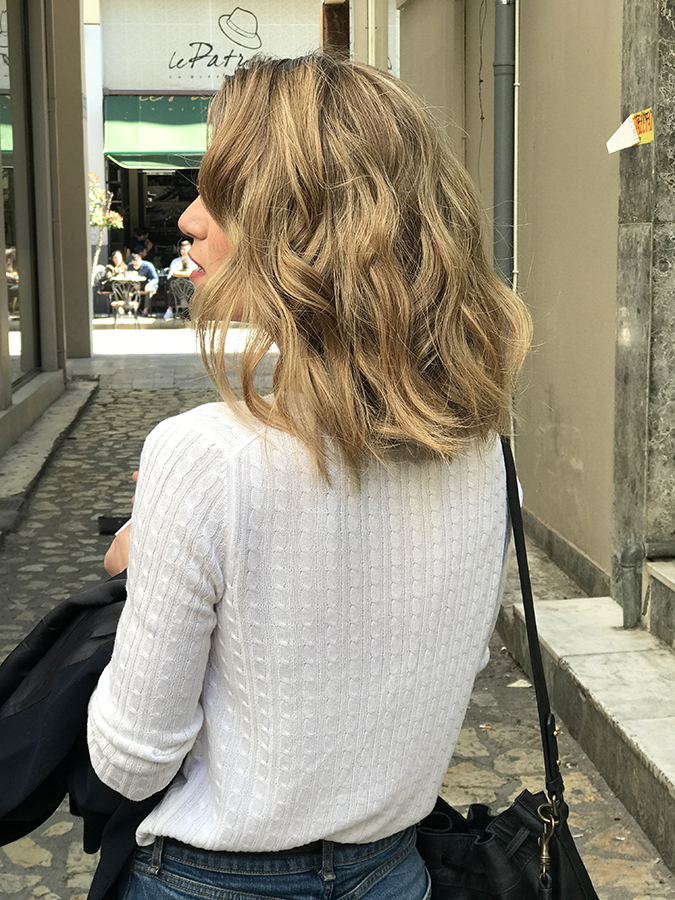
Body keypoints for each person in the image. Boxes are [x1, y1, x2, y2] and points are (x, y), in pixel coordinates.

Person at [88, 55, 531, 900]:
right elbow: (434, 674)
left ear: (298, 226)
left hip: (205, 880)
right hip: (395, 874)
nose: (187, 220)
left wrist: (149, 561)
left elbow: (131, 760)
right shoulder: (485, 457)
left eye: (219, 193)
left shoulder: (206, 456)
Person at [164, 239, 197, 319]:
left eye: (185, 249)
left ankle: (192, 310)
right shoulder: (175, 262)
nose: (183, 251)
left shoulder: (195, 262)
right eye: (181, 249)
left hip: (191, 289)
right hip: (177, 290)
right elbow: (169, 276)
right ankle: (170, 309)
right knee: (172, 281)